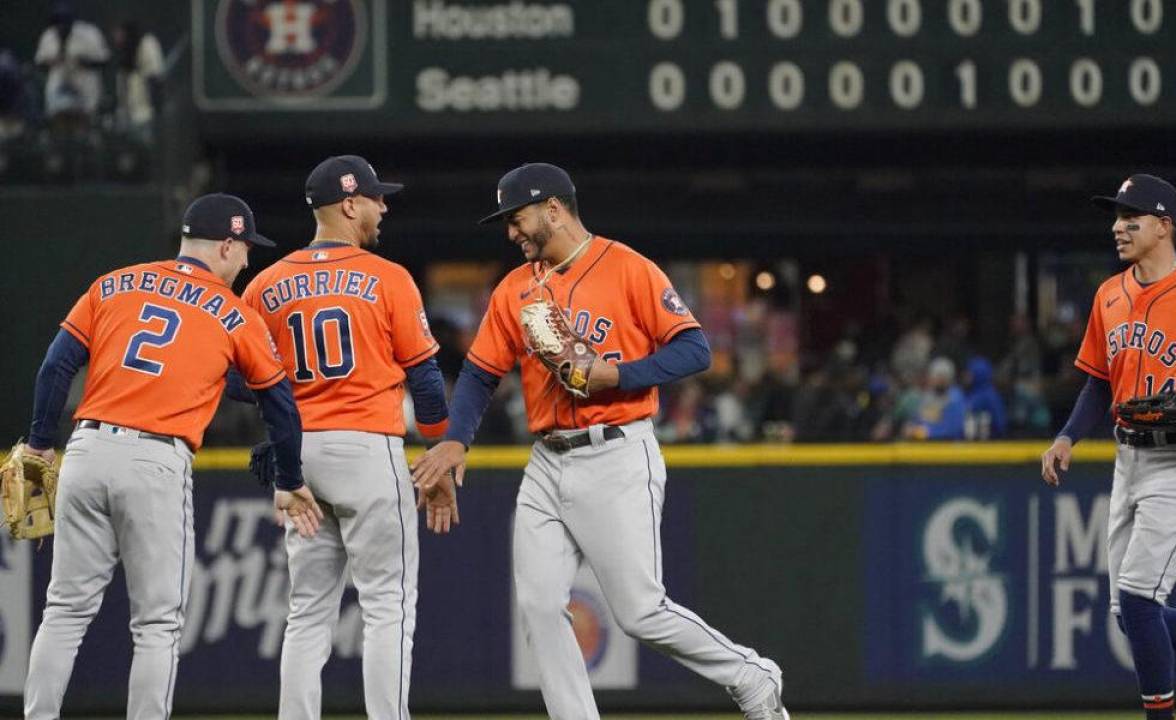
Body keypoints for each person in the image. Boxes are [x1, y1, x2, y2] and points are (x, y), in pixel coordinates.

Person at [412, 163, 789, 720]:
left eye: (516, 219)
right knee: (539, 606)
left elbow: (694, 350)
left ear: (554, 209)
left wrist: (620, 374)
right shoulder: (515, 288)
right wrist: (456, 441)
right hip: (546, 459)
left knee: (639, 612)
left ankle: (750, 675)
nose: (510, 232)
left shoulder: (627, 268)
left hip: (616, 450)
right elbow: (479, 373)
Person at [21, 193, 322, 720]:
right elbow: (279, 402)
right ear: (226, 244)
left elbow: (55, 366)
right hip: (155, 461)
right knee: (157, 623)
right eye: (245, 248)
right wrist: (290, 475)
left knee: (64, 611)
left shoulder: (113, 283)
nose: (248, 259)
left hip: (87, 449)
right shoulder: (233, 313)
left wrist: (40, 444)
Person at [241, 155, 453, 720]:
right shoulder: (388, 277)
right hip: (366, 447)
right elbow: (427, 381)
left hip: (300, 456)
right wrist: (439, 451)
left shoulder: (265, 283)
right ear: (349, 202)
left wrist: (278, 420)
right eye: (377, 198)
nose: (384, 207)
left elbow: (239, 379)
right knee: (388, 604)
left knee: (307, 611)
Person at [1042, 174, 1176, 720]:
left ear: (1164, 225)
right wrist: (1066, 436)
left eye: (1130, 216)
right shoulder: (1108, 294)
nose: (1117, 227)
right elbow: (1099, 382)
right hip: (1127, 458)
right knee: (1125, 612)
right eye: (1115, 216)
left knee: (1137, 600)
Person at [33, 1, 109, 134]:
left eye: (65, 21)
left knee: (82, 131)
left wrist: (85, 62)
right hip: (59, 91)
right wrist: (50, 62)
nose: (61, 25)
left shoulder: (89, 33)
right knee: (60, 129)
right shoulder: (49, 36)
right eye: (58, 21)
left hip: (84, 90)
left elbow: (104, 60)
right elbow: (39, 63)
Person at [111, 20, 163, 145]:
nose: (116, 38)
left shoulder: (147, 44)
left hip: (145, 114)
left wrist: (156, 107)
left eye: (120, 34)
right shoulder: (124, 56)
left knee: (145, 149)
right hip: (127, 115)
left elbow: (154, 77)